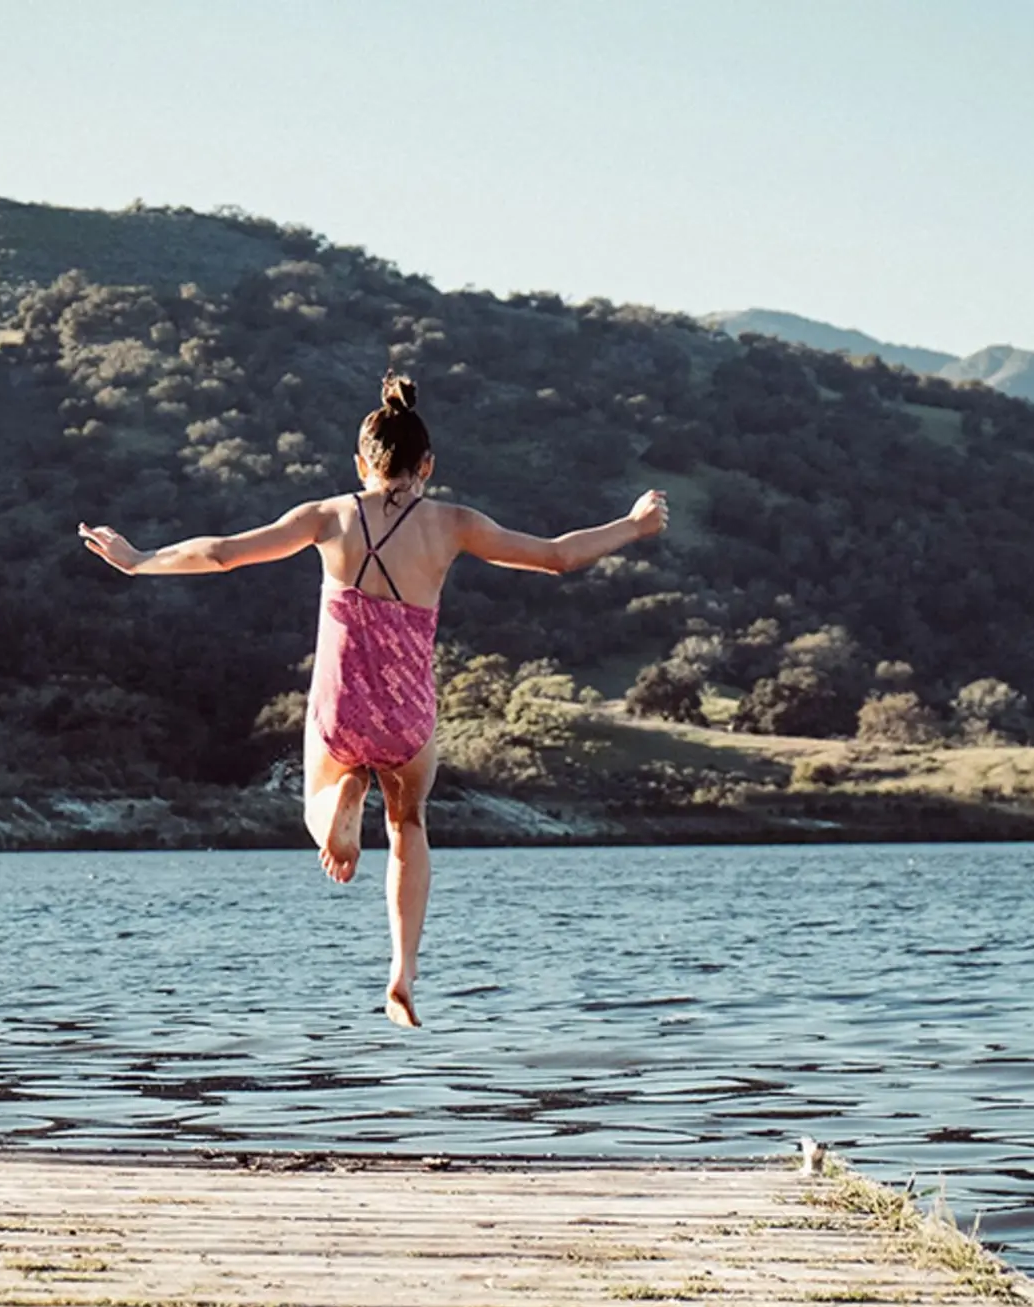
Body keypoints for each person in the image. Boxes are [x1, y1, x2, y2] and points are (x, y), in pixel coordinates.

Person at [78, 373, 670, 1027]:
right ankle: (403, 972)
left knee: (315, 806)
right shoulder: (453, 524)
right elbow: (557, 556)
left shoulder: (329, 516)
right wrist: (634, 525)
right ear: (428, 466)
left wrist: (138, 558)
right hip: (408, 714)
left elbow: (220, 555)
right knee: (409, 824)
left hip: (341, 707)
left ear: (360, 463)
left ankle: (341, 797)